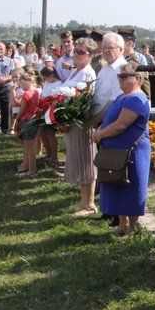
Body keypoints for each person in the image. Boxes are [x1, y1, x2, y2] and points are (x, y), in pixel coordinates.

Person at [93, 61, 150, 237]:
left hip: (132, 151)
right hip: (116, 152)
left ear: (137, 78)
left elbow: (121, 125)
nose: (121, 80)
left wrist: (101, 134)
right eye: (119, 76)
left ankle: (132, 228)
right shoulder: (122, 97)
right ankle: (122, 224)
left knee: (131, 187)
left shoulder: (136, 99)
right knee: (117, 184)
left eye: (125, 76)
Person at [61, 38, 98, 216]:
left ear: (90, 55)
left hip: (82, 121)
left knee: (86, 160)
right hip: (72, 121)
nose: (76, 54)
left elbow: (84, 101)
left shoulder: (88, 74)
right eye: (75, 51)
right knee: (78, 158)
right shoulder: (75, 72)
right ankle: (83, 201)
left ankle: (89, 204)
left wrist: (69, 117)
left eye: (81, 52)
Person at [12, 72, 40, 177]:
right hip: (34, 119)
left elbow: (22, 109)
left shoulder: (27, 94)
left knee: (29, 147)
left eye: (20, 84)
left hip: (27, 120)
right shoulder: (36, 92)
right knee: (31, 146)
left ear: (24, 82)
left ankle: (32, 170)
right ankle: (29, 167)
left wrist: (17, 118)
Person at [37, 66, 62, 164]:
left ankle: (54, 156)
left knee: (50, 133)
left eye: (45, 77)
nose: (44, 80)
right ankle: (48, 153)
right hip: (43, 109)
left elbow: (54, 97)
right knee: (41, 132)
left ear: (52, 75)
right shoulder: (47, 83)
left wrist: (45, 99)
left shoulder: (58, 84)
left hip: (50, 110)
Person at [119, 27, 151, 99]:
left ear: (129, 43)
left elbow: (146, 92)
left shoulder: (134, 64)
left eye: (120, 42)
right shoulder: (120, 61)